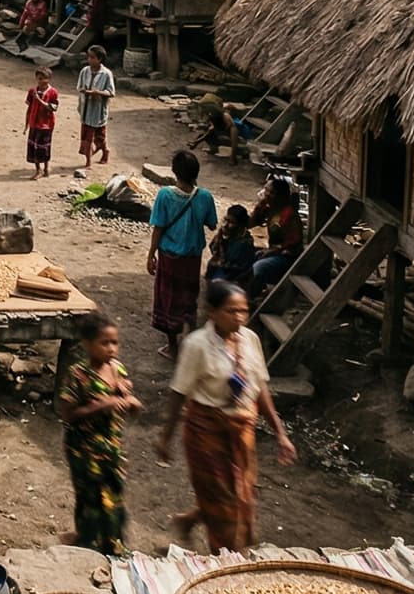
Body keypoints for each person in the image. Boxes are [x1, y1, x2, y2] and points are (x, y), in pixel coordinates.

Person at [158, 279, 296, 551]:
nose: (239, 317)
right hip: (206, 431)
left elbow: (260, 388)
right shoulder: (197, 345)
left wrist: (280, 433)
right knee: (225, 502)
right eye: (231, 311)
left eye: (243, 310)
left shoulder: (250, 340)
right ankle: (228, 557)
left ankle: (189, 520)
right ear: (212, 312)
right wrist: (165, 437)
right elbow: (179, 393)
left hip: (242, 428)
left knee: (243, 494)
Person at [58, 311, 140, 554]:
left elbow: (125, 408)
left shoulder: (118, 370)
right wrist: (103, 405)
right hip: (84, 449)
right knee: (89, 498)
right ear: (87, 344)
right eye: (105, 343)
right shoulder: (78, 375)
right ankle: (87, 544)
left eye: (115, 342)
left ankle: (112, 545)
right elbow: (68, 414)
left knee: (114, 496)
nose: (112, 349)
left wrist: (130, 402)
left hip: (111, 447)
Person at [148, 149, 218, 356]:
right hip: (192, 258)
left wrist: (151, 254)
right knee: (189, 298)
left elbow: (158, 228)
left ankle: (172, 346)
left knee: (168, 299)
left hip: (169, 257)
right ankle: (190, 344)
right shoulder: (205, 196)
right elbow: (212, 224)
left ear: (174, 171)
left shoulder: (165, 195)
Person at [250, 177, 305, 292]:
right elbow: (250, 223)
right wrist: (259, 205)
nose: (267, 194)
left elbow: (293, 244)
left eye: (272, 192)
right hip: (274, 252)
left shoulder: (289, 214)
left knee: (258, 267)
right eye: (266, 190)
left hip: (287, 257)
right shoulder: (270, 208)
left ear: (281, 196)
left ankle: (255, 294)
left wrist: (271, 251)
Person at [76, 45, 116, 167]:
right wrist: (84, 91)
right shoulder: (85, 71)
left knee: (99, 136)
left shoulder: (106, 74)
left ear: (100, 59)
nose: (89, 60)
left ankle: (104, 151)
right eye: (89, 57)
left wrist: (98, 93)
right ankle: (88, 160)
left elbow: (111, 92)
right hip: (86, 108)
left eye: (92, 57)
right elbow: (79, 87)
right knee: (87, 136)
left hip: (98, 110)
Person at [207, 205, 258, 288]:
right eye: (225, 220)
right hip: (222, 270)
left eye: (231, 222)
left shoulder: (244, 244)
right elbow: (213, 248)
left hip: (235, 276)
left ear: (240, 225)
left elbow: (239, 268)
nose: (225, 225)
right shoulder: (223, 235)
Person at [25, 67, 59, 179]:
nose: (41, 81)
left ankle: (46, 168)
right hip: (34, 123)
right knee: (34, 147)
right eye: (39, 78)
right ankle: (38, 169)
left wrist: (39, 100)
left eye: (44, 78)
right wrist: (26, 123)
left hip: (46, 125)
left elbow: (53, 108)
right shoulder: (32, 91)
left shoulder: (53, 92)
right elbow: (29, 108)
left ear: (49, 79)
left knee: (44, 147)